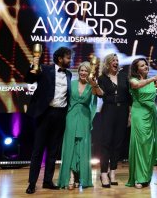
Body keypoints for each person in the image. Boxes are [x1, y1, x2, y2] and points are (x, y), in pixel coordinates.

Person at [25, 46, 72, 194]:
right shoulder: (45, 69)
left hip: (60, 115)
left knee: (53, 150)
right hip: (45, 114)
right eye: (68, 57)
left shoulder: (69, 74)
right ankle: (32, 183)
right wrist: (34, 64)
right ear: (60, 59)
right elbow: (29, 79)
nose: (70, 60)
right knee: (38, 150)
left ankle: (47, 181)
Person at [58, 61, 104, 189]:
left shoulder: (91, 86)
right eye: (81, 70)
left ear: (89, 73)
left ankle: (79, 177)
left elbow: (101, 94)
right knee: (70, 147)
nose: (83, 73)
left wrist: (94, 84)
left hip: (84, 118)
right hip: (71, 117)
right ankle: (71, 176)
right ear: (78, 72)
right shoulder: (71, 84)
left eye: (86, 71)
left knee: (81, 148)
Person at [126, 58, 157, 189]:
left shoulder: (152, 80)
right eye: (142, 65)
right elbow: (136, 86)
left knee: (148, 145)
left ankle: (146, 177)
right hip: (139, 114)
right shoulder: (133, 80)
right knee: (140, 143)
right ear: (137, 69)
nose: (146, 66)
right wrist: (153, 79)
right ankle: (138, 177)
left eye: (146, 64)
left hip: (151, 114)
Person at [97, 53, 131, 187]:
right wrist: (94, 85)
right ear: (108, 63)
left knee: (118, 143)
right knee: (106, 142)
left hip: (122, 111)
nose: (116, 62)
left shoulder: (123, 77)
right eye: (113, 60)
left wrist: (129, 114)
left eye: (117, 60)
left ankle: (113, 172)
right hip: (108, 111)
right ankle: (103, 173)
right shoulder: (102, 78)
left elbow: (129, 97)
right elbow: (101, 95)